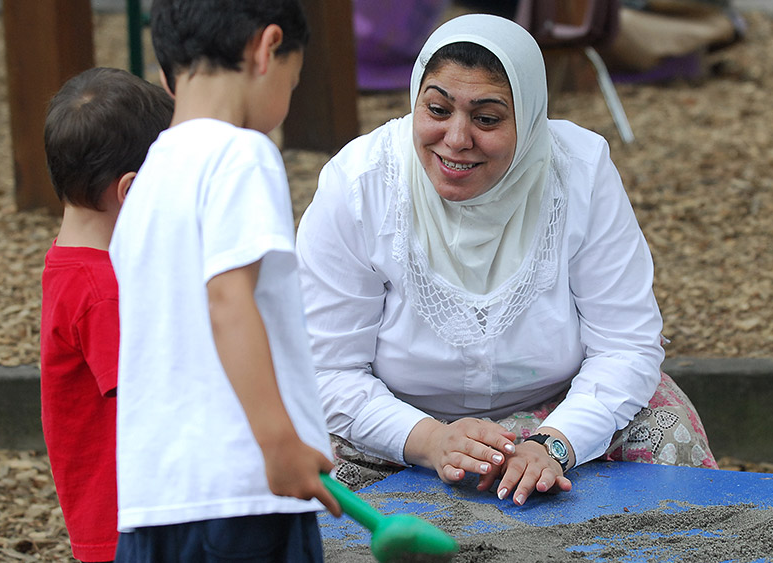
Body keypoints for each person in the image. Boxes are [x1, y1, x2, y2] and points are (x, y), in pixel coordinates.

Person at [296, 13, 718, 507]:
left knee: (666, 433)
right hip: (395, 426)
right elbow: (326, 371)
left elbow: (626, 345)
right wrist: (430, 441)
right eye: (436, 109)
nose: (456, 139)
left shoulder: (578, 173)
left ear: (531, 118)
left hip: (555, 412)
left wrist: (557, 443)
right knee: (296, 485)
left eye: (487, 118)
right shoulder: (360, 185)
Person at [108, 1, 341, 561]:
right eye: (294, 78)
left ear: (168, 73)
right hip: (245, 488)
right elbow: (228, 298)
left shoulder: (145, 182)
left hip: (154, 499)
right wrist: (278, 440)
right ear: (267, 50)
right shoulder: (241, 154)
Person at [40, 67, 173, 563]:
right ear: (132, 191)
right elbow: (155, 398)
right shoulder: (103, 292)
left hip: (114, 515)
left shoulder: (70, 262)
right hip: (128, 522)